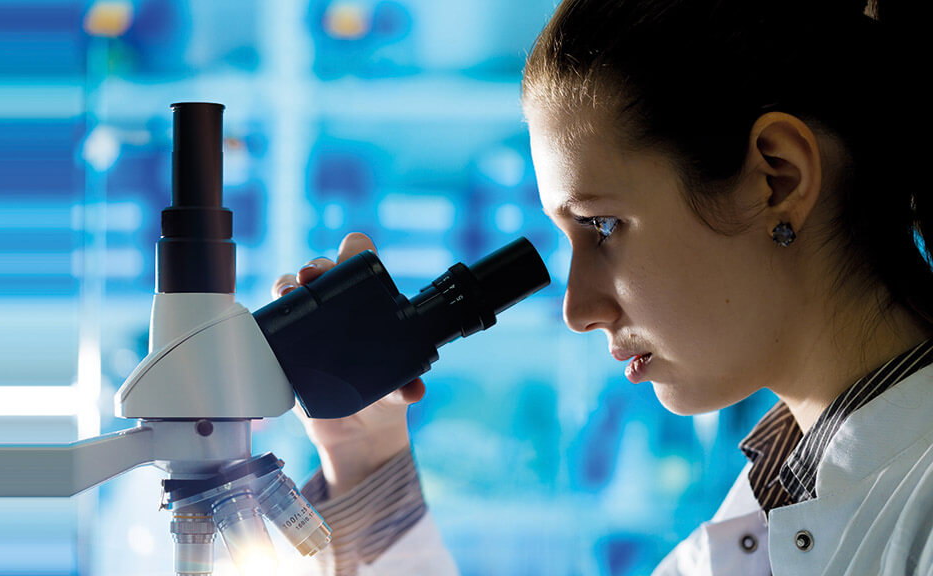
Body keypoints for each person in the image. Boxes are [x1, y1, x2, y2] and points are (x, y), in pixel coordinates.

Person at [271, 0, 933, 574]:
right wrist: (364, 454)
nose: (578, 311)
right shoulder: (782, 500)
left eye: (604, 226)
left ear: (776, 180)